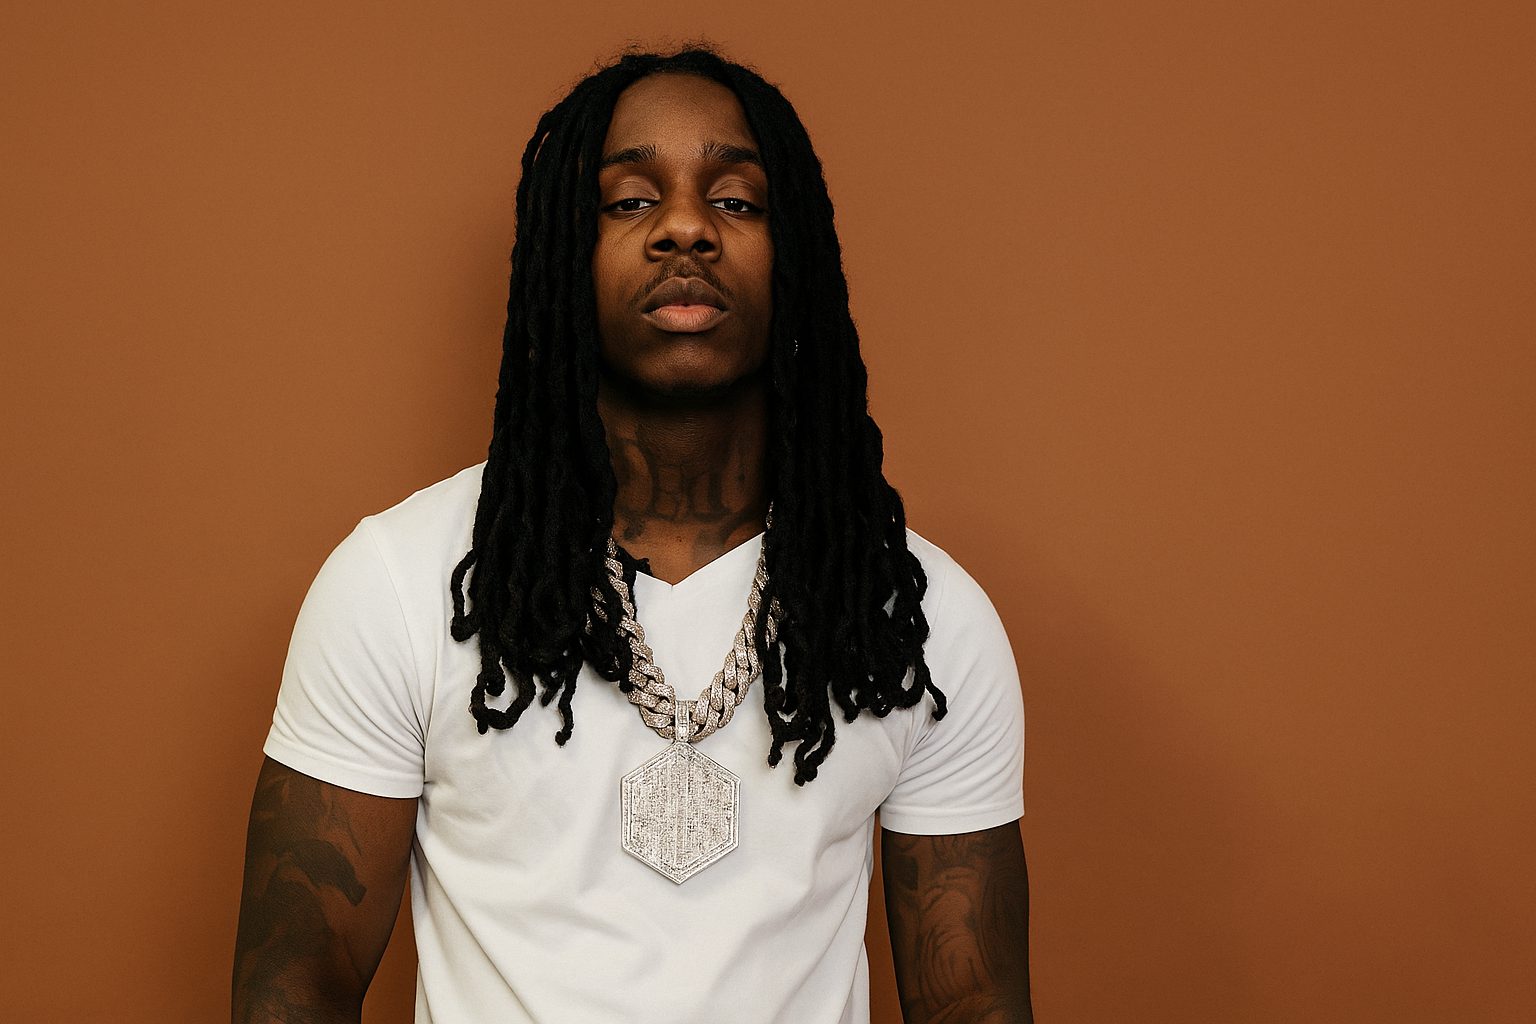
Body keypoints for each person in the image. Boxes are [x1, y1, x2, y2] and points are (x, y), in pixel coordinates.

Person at [233, 47, 1031, 1024]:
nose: (686, 228)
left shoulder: (917, 615)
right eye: (629, 201)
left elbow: (972, 999)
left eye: (736, 201)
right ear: (562, 259)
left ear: (799, 261)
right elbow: (294, 980)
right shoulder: (397, 582)